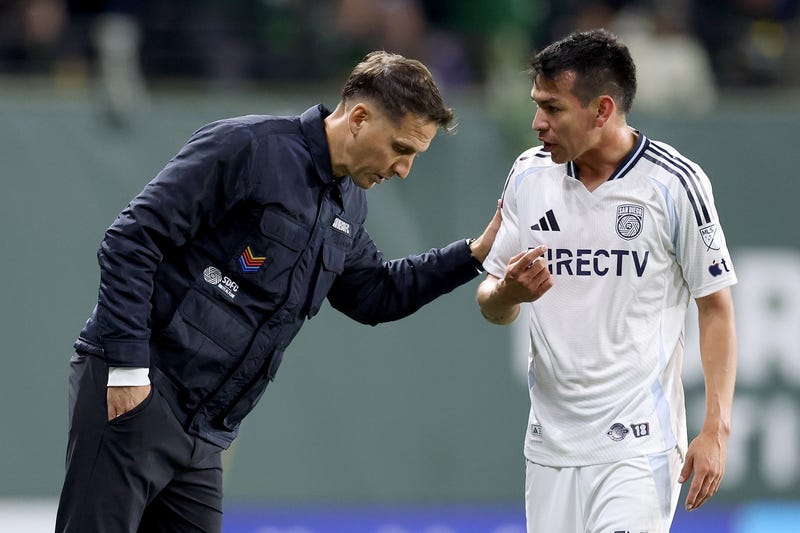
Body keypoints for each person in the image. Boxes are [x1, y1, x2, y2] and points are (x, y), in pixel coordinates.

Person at [56, 50, 500, 532]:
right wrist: (126, 369)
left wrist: (474, 254)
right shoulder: (249, 147)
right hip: (140, 391)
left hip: (204, 433)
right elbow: (132, 238)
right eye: (401, 148)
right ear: (359, 117)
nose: (403, 169)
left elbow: (375, 293)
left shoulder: (349, 204)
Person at [476, 29, 737, 532]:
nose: (537, 123)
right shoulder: (528, 177)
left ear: (601, 110)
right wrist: (508, 292)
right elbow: (490, 302)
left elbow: (715, 306)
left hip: (637, 450)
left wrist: (716, 429)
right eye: (537, 105)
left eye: (552, 109)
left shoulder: (674, 185)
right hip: (549, 449)